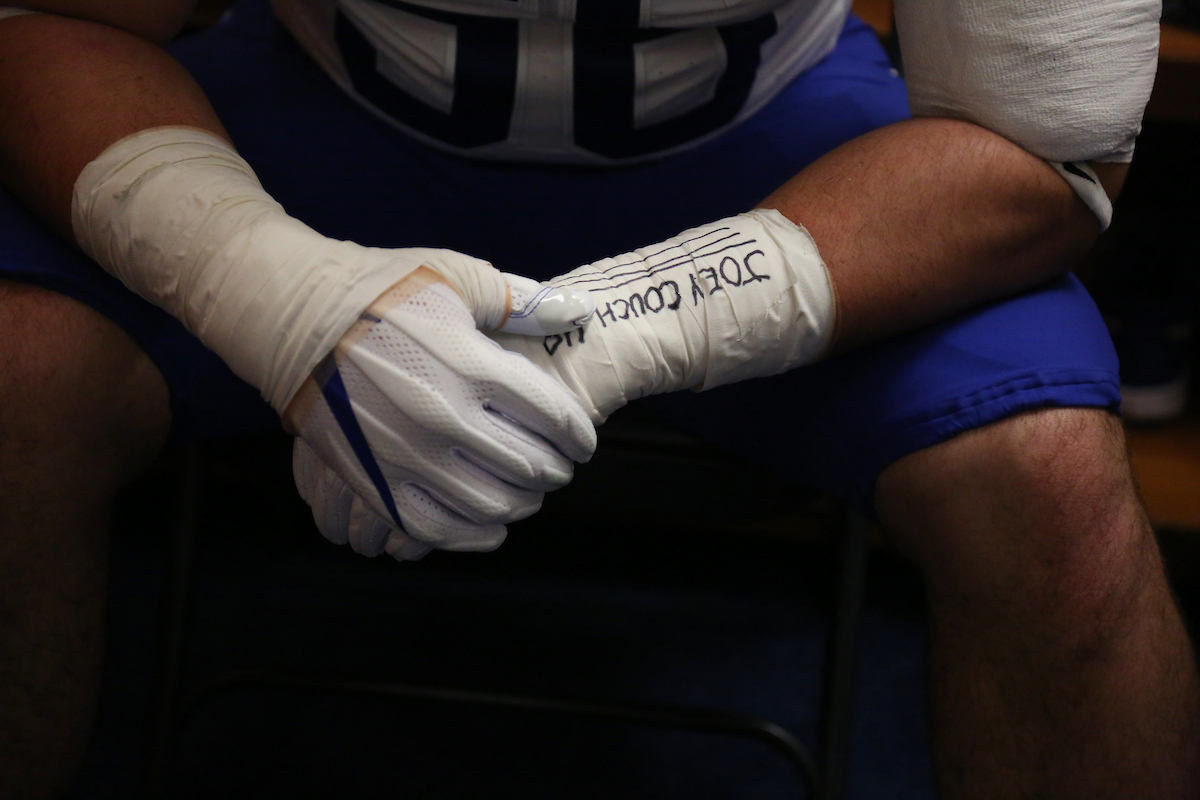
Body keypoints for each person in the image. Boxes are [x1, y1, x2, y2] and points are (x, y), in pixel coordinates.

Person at [0, 0, 1196, 797]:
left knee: (1053, 495)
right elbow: (58, 20)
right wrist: (284, 295)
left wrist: (615, 330)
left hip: (764, 137)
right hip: (329, 99)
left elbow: (1049, 147)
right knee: (17, 380)